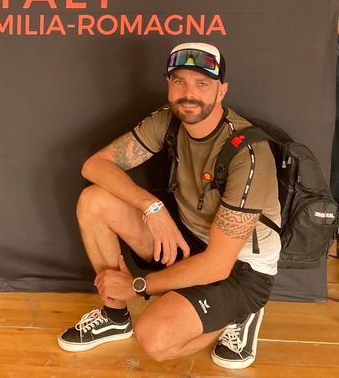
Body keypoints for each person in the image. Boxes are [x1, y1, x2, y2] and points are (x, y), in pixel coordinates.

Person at [58, 42, 280, 369]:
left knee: (155, 338)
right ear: (169, 85)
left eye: (202, 84)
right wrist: (152, 207)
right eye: (179, 81)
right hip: (188, 239)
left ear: (221, 90)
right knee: (94, 200)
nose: (189, 94)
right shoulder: (170, 119)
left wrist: (137, 285)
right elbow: (95, 166)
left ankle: (240, 312)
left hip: (238, 267)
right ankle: (115, 316)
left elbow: (218, 265)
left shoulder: (248, 153)